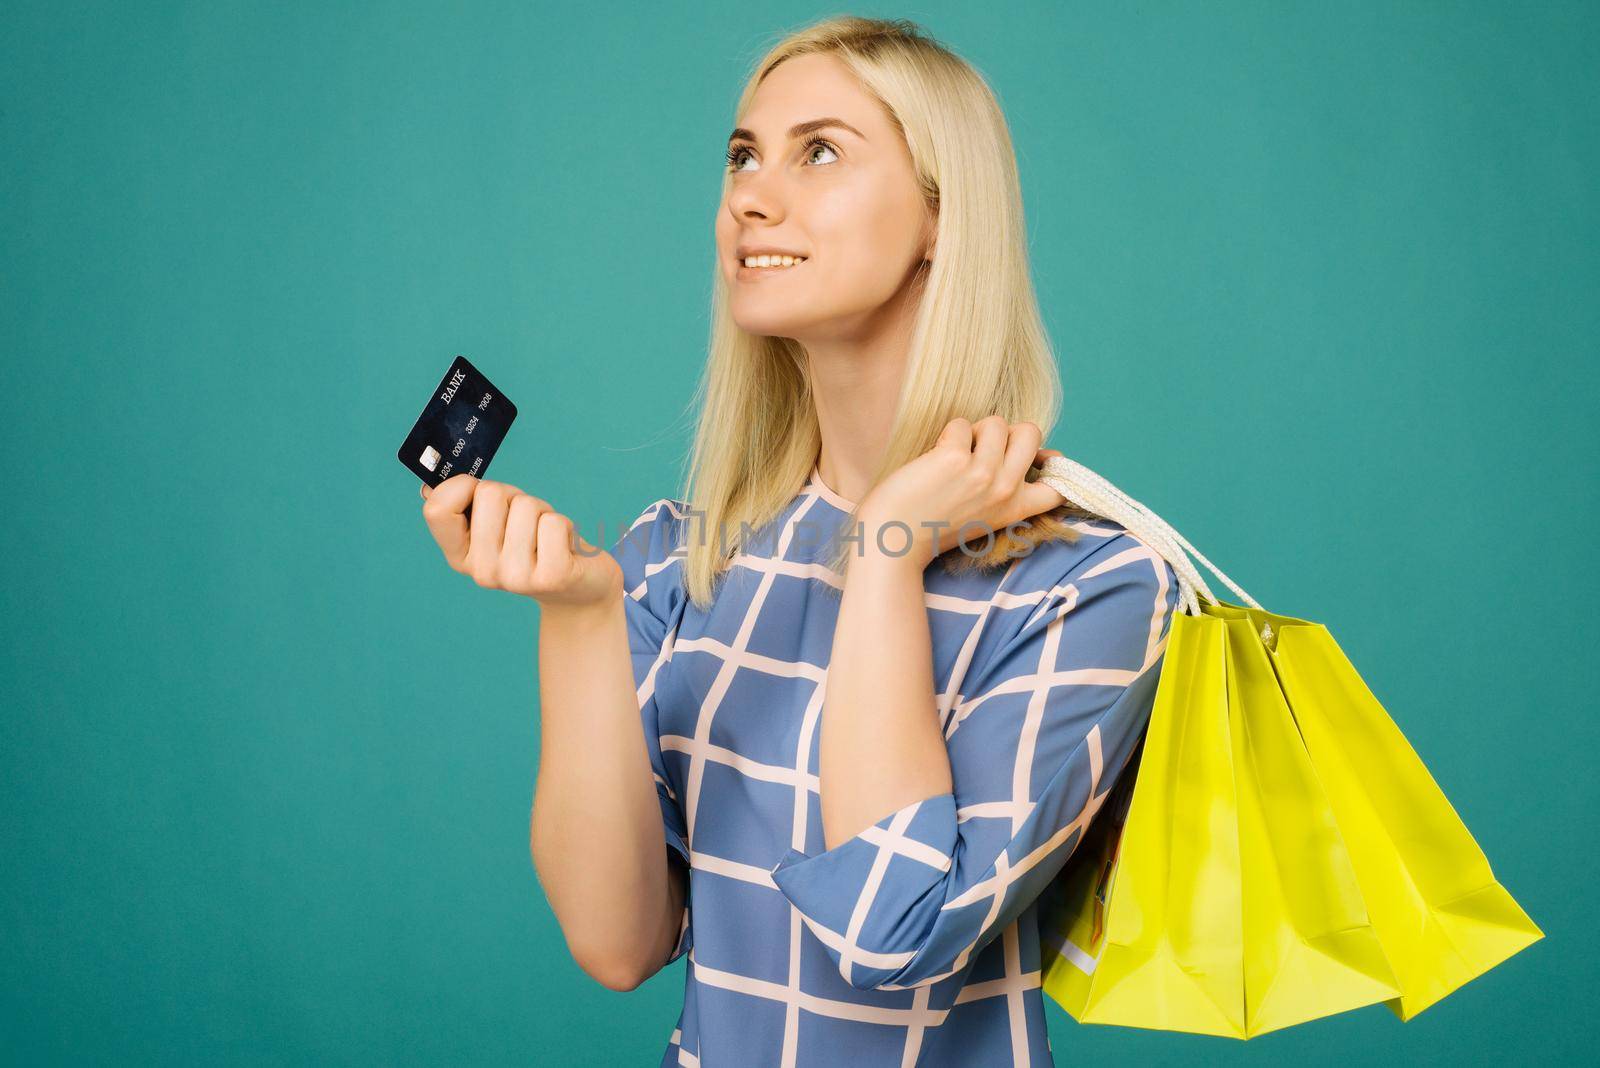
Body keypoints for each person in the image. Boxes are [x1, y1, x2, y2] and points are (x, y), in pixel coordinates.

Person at [420, 16, 1179, 1066]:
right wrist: (581, 614)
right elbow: (615, 944)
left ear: (937, 218)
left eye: (818, 151)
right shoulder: (677, 562)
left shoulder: (1088, 588)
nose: (750, 196)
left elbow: (888, 928)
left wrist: (884, 552)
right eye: (742, 155)